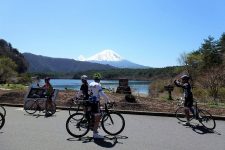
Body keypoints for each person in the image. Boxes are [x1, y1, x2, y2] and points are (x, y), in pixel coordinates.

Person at [89, 73, 110, 139]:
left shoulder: (90, 84)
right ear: (99, 79)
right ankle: (95, 134)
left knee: (96, 115)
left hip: (91, 102)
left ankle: (93, 127)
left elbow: (89, 92)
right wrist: (107, 100)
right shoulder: (98, 85)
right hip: (95, 103)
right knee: (98, 118)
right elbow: (101, 94)